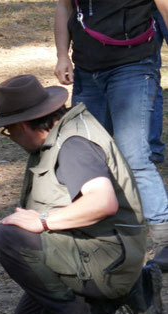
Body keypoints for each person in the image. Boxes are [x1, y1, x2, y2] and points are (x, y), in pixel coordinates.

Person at [0, 74, 163, 314]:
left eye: (8, 132)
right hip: (103, 249)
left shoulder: (73, 145)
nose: (12, 139)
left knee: (8, 238)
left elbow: (103, 202)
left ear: (23, 126)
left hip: (107, 255)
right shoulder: (63, 133)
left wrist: (42, 222)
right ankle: (134, 287)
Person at [54, 0, 168, 274]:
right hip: (86, 68)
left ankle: (165, 239)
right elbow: (64, 6)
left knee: (134, 157)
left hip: (133, 66)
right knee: (86, 155)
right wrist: (61, 56)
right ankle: (97, 237)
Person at [150, 8, 168, 164]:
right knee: (148, 77)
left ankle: (152, 148)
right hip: (142, 10)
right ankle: (152, 148)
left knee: (149, 77)